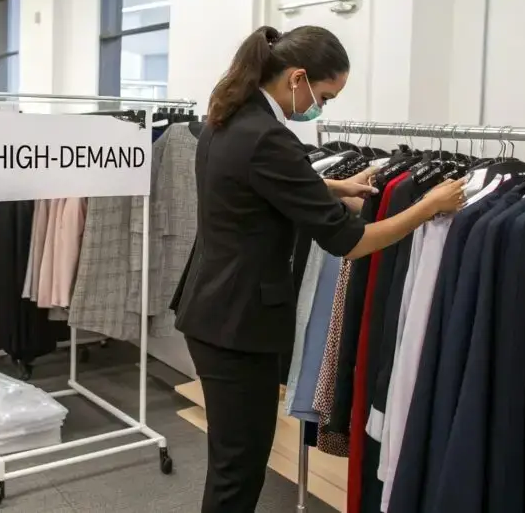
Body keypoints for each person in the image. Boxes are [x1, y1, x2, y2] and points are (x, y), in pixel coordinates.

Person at [170, 25, 467, 512]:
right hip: (236, 324)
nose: (321, 108)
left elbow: (250, 183)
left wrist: (332, 188)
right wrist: (427, 207)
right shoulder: (268, 136)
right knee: (238, 469)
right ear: (298, 77)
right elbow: (351, 244)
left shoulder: (230, 116)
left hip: (214, 308)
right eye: (324, 96)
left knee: (233, 460)